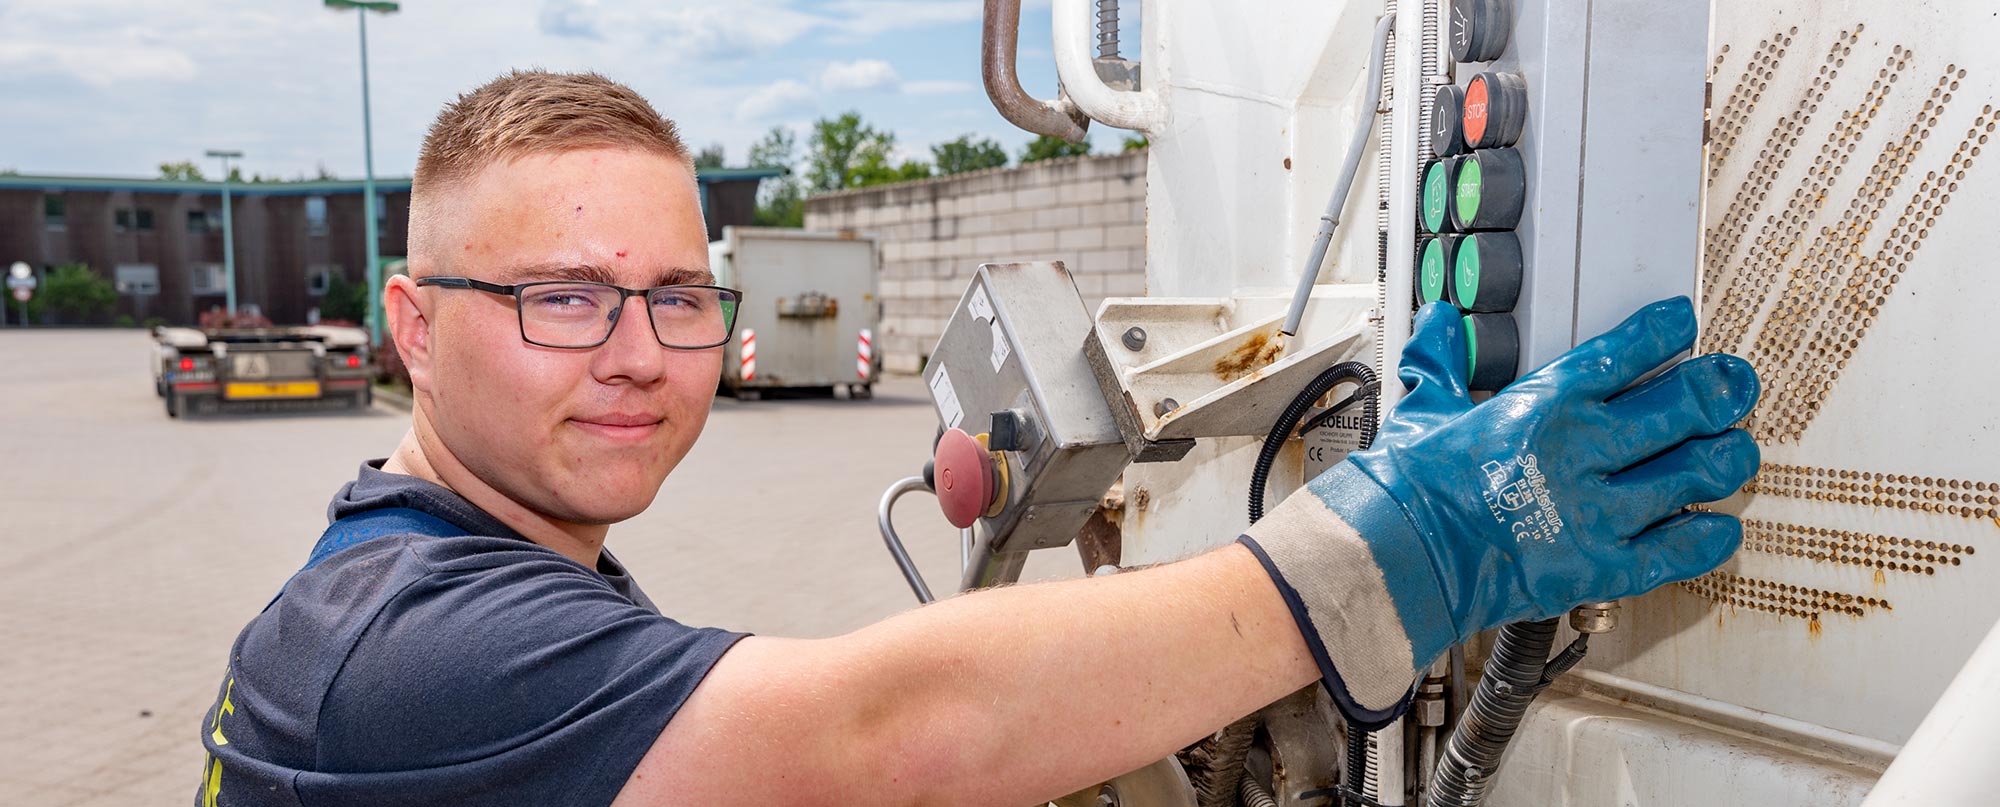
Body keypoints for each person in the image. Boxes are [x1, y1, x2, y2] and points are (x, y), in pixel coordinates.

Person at [197, 70, 1760, 807]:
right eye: (561, 299)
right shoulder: (403, 652)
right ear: (413, 325)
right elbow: (889, 730)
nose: (634, 355)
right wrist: (1409, 540)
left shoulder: (447, 574)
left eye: (676, 298)